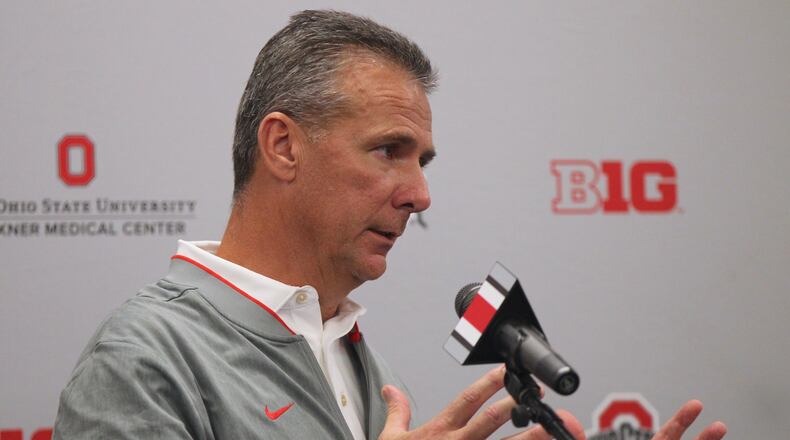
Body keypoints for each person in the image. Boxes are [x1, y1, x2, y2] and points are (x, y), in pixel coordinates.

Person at [53, 10, 727, 440]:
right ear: (284, 147)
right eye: (388, 151)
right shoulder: (141, 359)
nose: (421, 194)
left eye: (423, 160)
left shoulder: (349, 347)